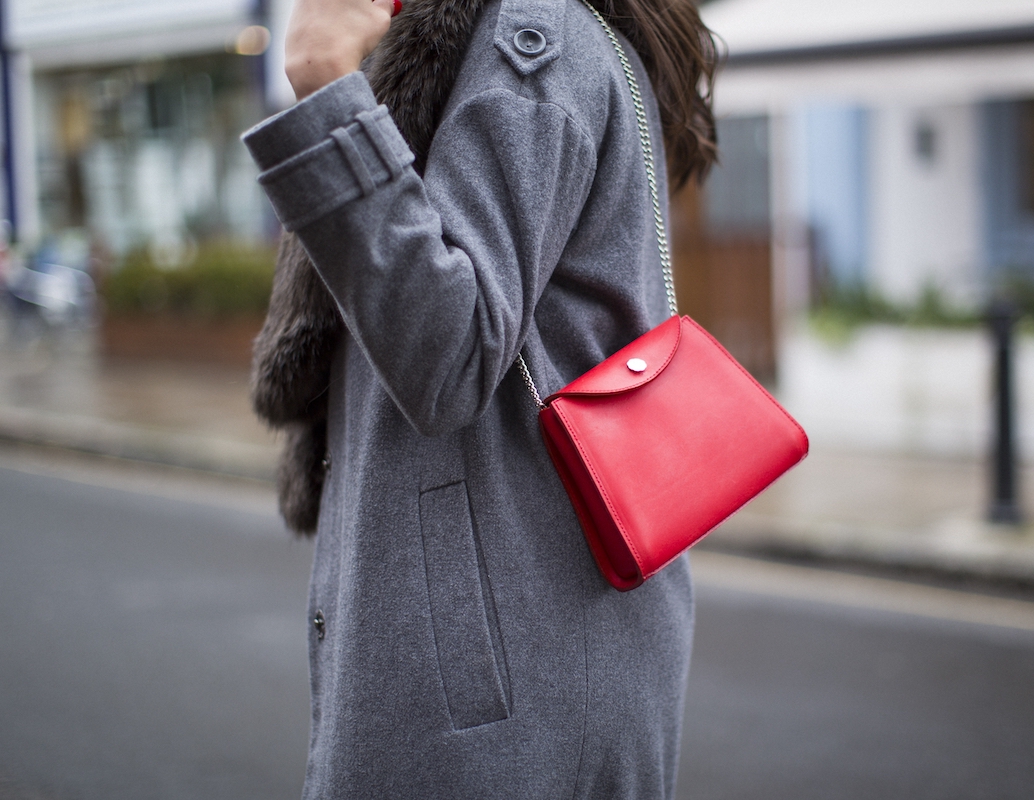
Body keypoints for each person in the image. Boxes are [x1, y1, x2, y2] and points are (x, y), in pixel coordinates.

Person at [242, 0, 717, 796]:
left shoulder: (532, 39)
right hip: (539, 658)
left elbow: (446, 354)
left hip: (510, 708)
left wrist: (327, 87)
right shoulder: (523, 40)